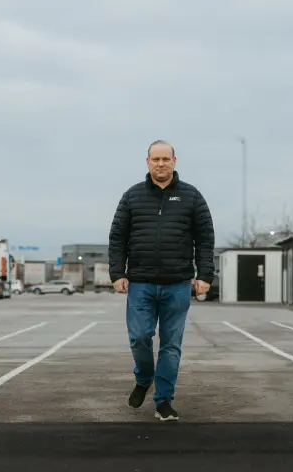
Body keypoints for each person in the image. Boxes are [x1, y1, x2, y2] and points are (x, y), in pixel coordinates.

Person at [108, 139, 215, 422]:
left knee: (170, 345)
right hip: (140, 283)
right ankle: (144, 378)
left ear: (174, 162)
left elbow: (205, 239)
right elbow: (117, 237)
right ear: (147, 162)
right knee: (140, 337)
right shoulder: (132, 196)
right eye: (155, 159)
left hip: (177, 284)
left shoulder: (192, 196)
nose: (161, 164)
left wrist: (205, 275)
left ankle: (164, 400)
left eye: (166, 159)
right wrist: (117, 273)